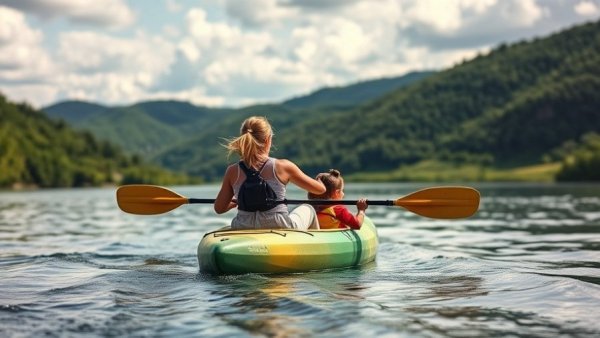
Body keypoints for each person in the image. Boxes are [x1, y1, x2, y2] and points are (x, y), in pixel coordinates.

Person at [214, 116, 326, 230]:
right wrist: (320, 182)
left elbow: (219, 208)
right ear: (268, 140)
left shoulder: (232, 171)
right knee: (309, 209)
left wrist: (234, 203)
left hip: (243, 225)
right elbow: (319, 190)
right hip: (278, 224)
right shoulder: (283, 166)